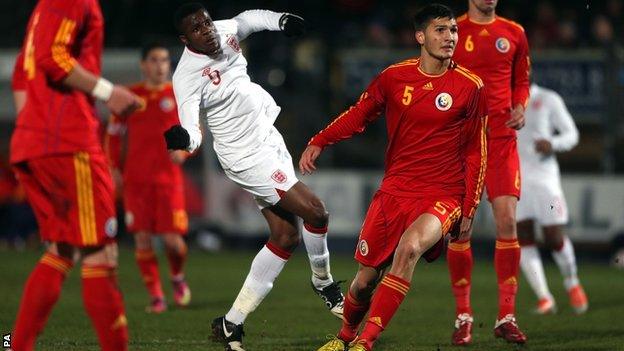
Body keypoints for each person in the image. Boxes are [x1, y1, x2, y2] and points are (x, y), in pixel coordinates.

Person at [165, 3, 344, 350]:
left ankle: (231, 324)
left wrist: (281, 21)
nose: (208, 31)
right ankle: (323, 282)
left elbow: (248, 19)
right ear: (185, 39)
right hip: (244, 155)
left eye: (206, 22)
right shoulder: (185, 76)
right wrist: (184, 140)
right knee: (317, 211)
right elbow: (194, 130)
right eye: (198, 29)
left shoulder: (222, 29)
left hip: (268, 137)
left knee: (285, 237)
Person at [310, 4, 488, 350]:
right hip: (394, 192)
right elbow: (359, 115)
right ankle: (345, 336)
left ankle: (365, 343)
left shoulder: (471, 86)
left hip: (443, 193)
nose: (450, 37)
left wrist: (470, 207)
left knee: (408, 250)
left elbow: (475, 151)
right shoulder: (394, 77)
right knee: (364, 281)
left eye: (453, 30)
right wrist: (320, 140)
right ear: (420, 36)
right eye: (440, 30)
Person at [8, 0, 140, 350]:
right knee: (101, 252)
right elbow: (53, 58)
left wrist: (34, 131)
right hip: (68, 143)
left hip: (34, 142)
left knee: (62, 248)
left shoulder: (42, 9)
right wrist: (109, 93)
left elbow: (24, 69)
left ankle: (14, 345)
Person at [447, 0, 530, 344]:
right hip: (462, 141)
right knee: (460, 229)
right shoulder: (452, 30)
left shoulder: (514, 32)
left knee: (507, 222)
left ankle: (506, 316)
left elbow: (521, 80)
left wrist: (520, 106)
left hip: (501, 140)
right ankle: (463, 316)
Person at [105, 43, 192, 314]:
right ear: (144, 64)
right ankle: (156, 296)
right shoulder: (129, 95)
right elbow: (114, 134)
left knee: (172, 242)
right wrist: (113, 167)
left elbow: (193, 130)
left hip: (168, 180)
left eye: (164, 60)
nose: (160, 65)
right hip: (136, 180)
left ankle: (177, 276)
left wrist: (184, 152)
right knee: (142, 239)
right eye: (154, 60)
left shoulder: (178, 95)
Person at [517, 83, 587, 315]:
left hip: (547, 185)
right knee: (523, 237)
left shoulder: (548, 99)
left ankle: (572, 282)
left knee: (554, 236)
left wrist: (553, 144)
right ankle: (544, 297)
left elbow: (572, 134)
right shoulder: (501, 101)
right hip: (516, 183)